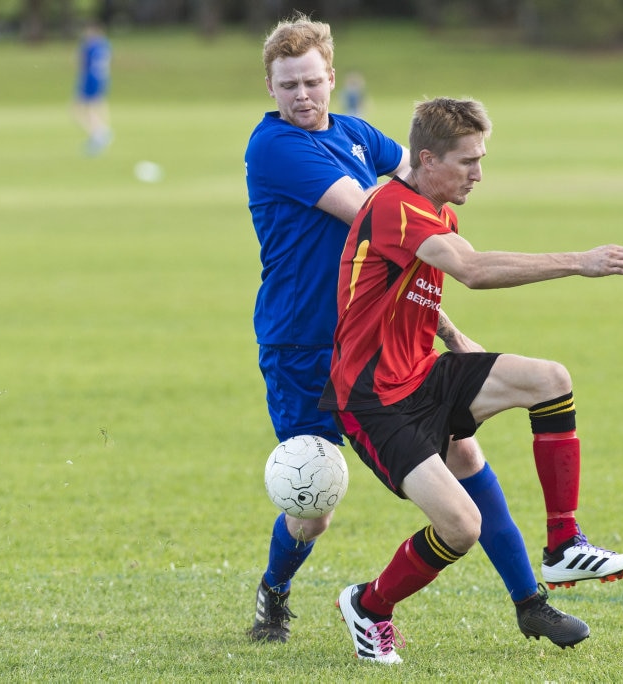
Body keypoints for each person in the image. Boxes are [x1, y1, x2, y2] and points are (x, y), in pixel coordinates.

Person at [244, 14, 587, 649]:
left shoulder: (354, 132)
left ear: (331, 79)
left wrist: (448, 330)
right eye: (288, 85)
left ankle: (528, 601)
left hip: (383, 342)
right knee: (313, 505)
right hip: (304, 346)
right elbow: (375, 217)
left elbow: (418, 178)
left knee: (465, 454)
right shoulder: (273, 148)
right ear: (270, 88)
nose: (302, 96)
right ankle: (276, 589)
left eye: (312, 82)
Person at [321, 97, 623, 664]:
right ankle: (369, 606)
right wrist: (580, 261)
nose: (479, 173)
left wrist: (450, 336)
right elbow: (471, 271)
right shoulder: (394, 207)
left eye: (481, 158)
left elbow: (403, 288)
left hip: (424, 373)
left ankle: (563, 545)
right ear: (427, 160)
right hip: (373, 399)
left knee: (549, 379)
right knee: (460, 525)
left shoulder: (437, 212)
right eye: (467, 161)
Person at [73, 21, 112, 156]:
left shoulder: (89, 46)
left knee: (80, 108)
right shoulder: (105, 44)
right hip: (102, 79)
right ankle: (101, 131)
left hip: (90, 78)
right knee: (97, 104)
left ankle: (99, 133)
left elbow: (82, 63)